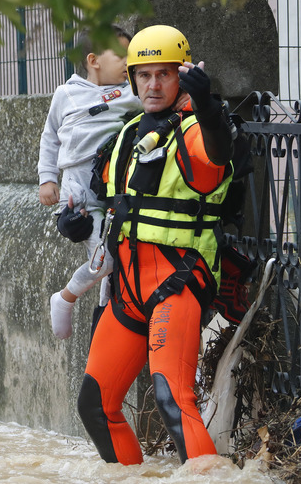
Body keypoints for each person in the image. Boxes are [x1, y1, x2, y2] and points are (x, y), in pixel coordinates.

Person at [77, 24, 235, 465]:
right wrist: (75, 226)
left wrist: (205, 104)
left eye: (163, 74)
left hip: (177, 284)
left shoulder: (194, 131)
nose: (152, 84)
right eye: (144, 75)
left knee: (173, 399)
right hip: (128, 290)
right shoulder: (127, 135)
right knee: (94, 405)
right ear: (131, 79)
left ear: (180, 77)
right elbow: (107, 202)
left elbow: (218, 155)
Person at [38, 26, 143, 340]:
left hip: (114, 187)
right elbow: (49, 139)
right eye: (121, 54)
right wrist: (47, 179)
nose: (129, 61)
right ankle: (65, 297)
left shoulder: (130, 91)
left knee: (114, 258)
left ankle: (106, 318)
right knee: (107, 258)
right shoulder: (66, 94)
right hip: (78, 192)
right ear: (94, 60)